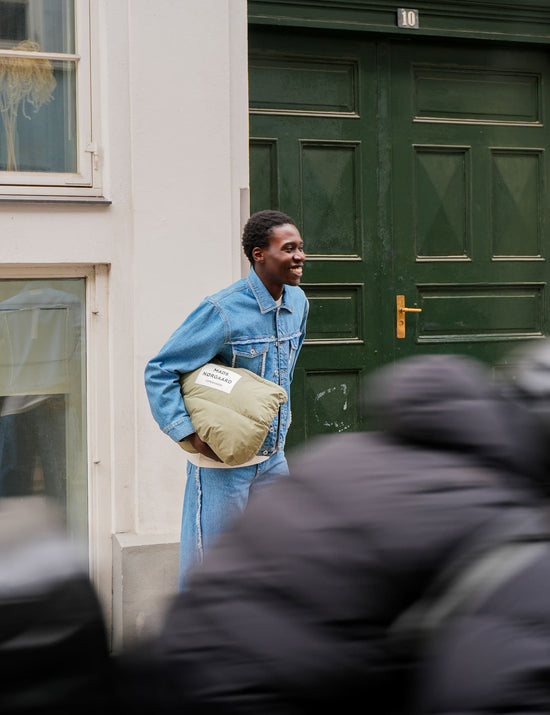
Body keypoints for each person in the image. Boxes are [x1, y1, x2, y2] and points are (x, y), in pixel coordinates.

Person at [126, 347, 550, 714]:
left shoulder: (340, 454)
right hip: (251, 688)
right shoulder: (502, 525)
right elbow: (494, 680)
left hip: (170, 666)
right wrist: (187, 431)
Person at [144, 210, 308, 590]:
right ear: (258, 254)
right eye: (288, 248)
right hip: (221, 468)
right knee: (209, 575)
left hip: (273, 460)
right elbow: (160, 370)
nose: (299, 256)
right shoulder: (223, 310)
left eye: (300, 247)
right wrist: (189, 434)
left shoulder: (298, 303)